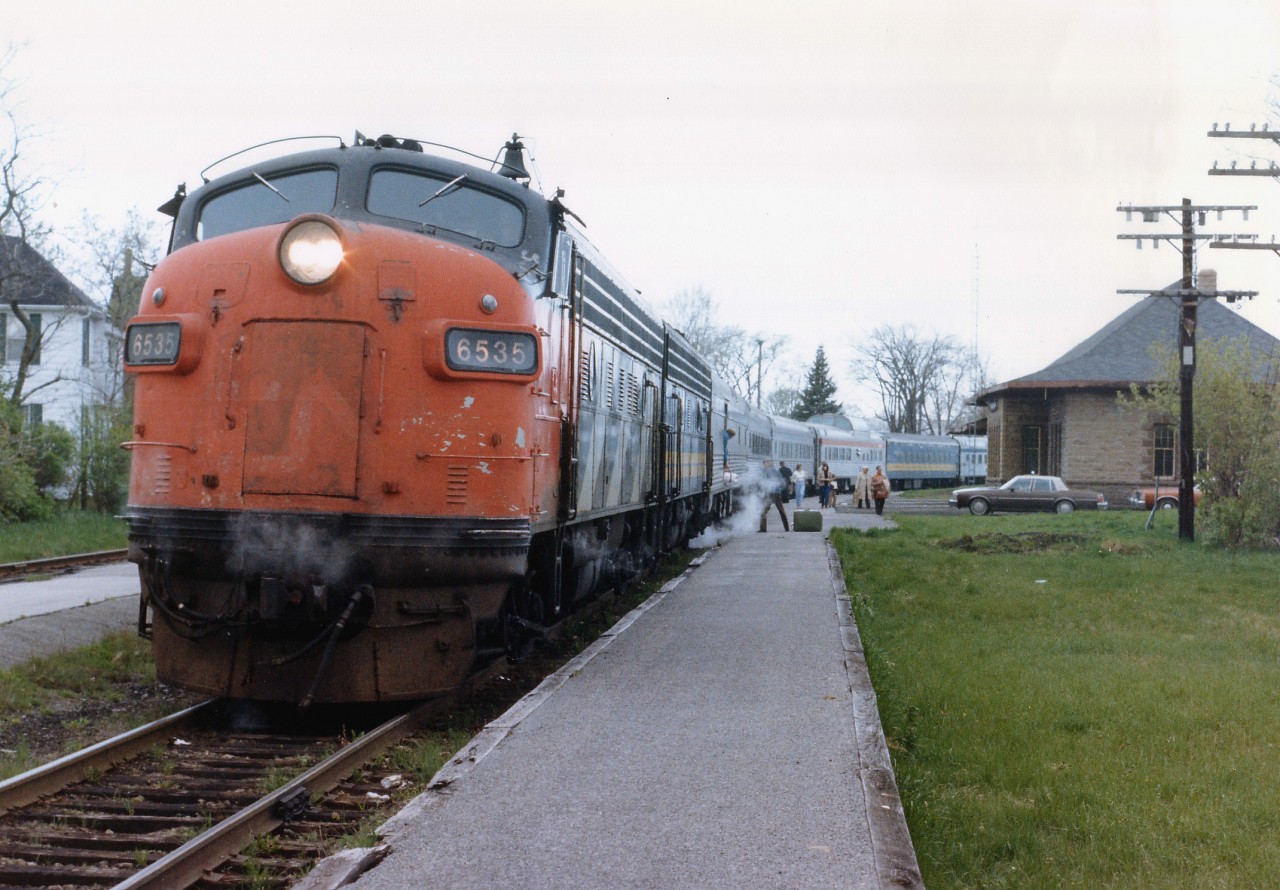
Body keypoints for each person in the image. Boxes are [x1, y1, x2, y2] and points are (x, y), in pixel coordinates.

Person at [758, 460, 790, 532]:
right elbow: (781, 481)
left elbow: (764, 482)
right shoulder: (776, 471)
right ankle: (786, 527)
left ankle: (763, 528)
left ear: (768, 463)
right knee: (781, 510)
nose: (764, 465)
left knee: (763, 510)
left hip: (770, 493)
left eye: (765, 463)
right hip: (777, 493)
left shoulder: (767, 471)